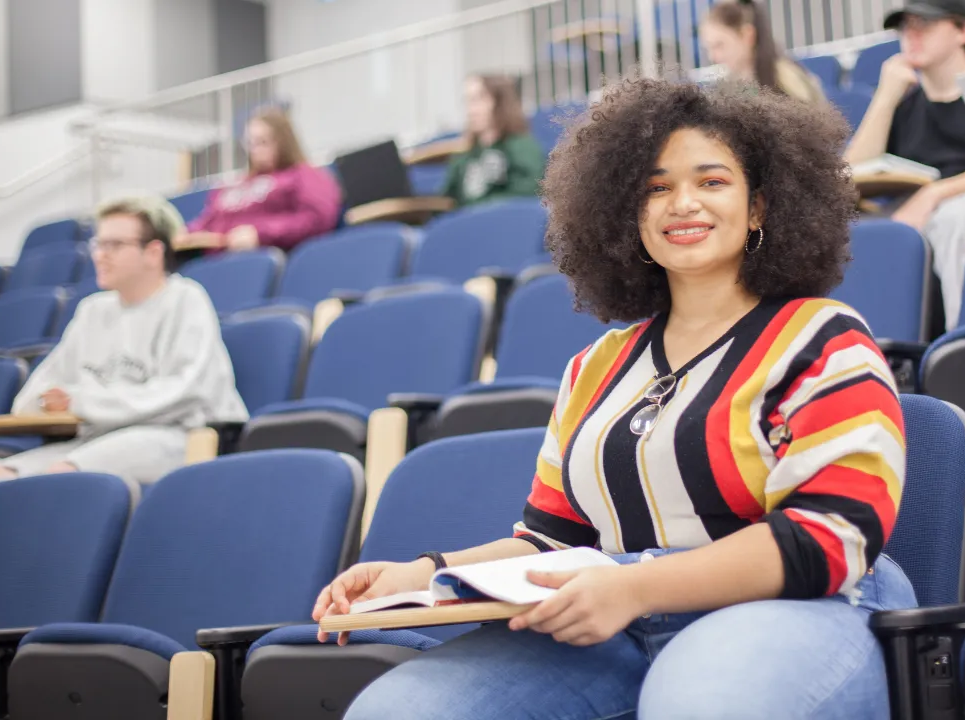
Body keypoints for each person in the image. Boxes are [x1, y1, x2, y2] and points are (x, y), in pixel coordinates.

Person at [318, 78, 915, 720]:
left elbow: (828, 536)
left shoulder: (823, 336)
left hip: (802, 606)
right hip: (622, 622)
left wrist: (635, 586)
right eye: (655, 189)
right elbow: (552, 539)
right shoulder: (593, 367)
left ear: (759, 207)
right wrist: (423, 574)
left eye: (712, 181)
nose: (682, 203)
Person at [0, 196, 248, 493]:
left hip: (178, 434)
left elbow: (184, 393)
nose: (100, 255)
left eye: (114, 245)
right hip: (98, 437)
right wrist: (46, 403)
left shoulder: (186, 299)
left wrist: (80, 402)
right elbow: (31, 399)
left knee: (63, 476)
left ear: (153, 252)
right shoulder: (93, 310)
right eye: (98, 244)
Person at [844, 0, 965, 330]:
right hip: (913, 209)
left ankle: (963, 342)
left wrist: (934, 194)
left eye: (924, 25)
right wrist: (885, 96)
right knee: (854, 229)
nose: (911, 36)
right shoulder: (904, 105)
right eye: (905, 27)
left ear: (962, 31)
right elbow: (849, 175)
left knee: (958, 216)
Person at [178, 107, 342, 253]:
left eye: (263, 142)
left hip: (265, 257)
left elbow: (317, 219)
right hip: (217, 257)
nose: (255, 150)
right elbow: (207, 221)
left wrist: (259, 234)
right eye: (251, 143)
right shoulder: (232, 185)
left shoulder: (304, 175)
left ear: (283, 141)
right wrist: (186, 234)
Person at [443, 75, 545, 207]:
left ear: (500, 102)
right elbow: (447, 199)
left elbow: (529, 190)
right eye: (467, 101)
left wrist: (485, 206)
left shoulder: (521, 146)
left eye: (478, 99)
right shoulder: (465, 154)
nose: (471, 110)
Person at [701, 0, 827, 104]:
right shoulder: (730, 85)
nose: (713, 56)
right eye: (709, 48)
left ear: (747, 35)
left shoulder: (786, 78)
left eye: (720, 45)